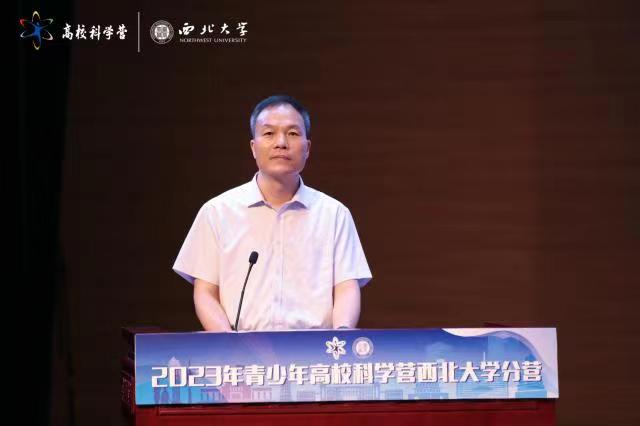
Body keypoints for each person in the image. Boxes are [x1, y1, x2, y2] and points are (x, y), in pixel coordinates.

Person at [173, 95, 372, 331]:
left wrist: (340, 339)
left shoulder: (334, 214)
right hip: (241, 349)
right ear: (253, 148)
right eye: (269, 133)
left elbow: (347, 288)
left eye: (293, 133)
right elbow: (205, 292)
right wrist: (227, 344)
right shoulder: (217, 212)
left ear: (307, 148)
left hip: (313, 349)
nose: (281, 143)